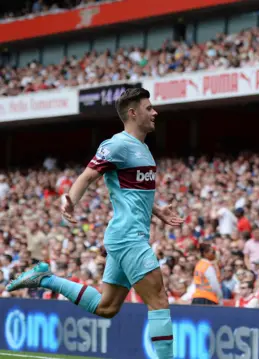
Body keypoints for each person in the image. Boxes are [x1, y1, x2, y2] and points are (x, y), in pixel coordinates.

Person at [7, 88, 183, 359]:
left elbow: (133, 195)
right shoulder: (117, 144)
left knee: (107, 307)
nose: (155, 112)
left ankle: (46, 278)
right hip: (129, 238)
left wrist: (157, 210)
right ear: (133, 113)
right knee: (158, 300)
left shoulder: (143, 149)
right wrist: (71, 200)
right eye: (149, 108)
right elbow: (87, 176)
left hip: (125, 236)